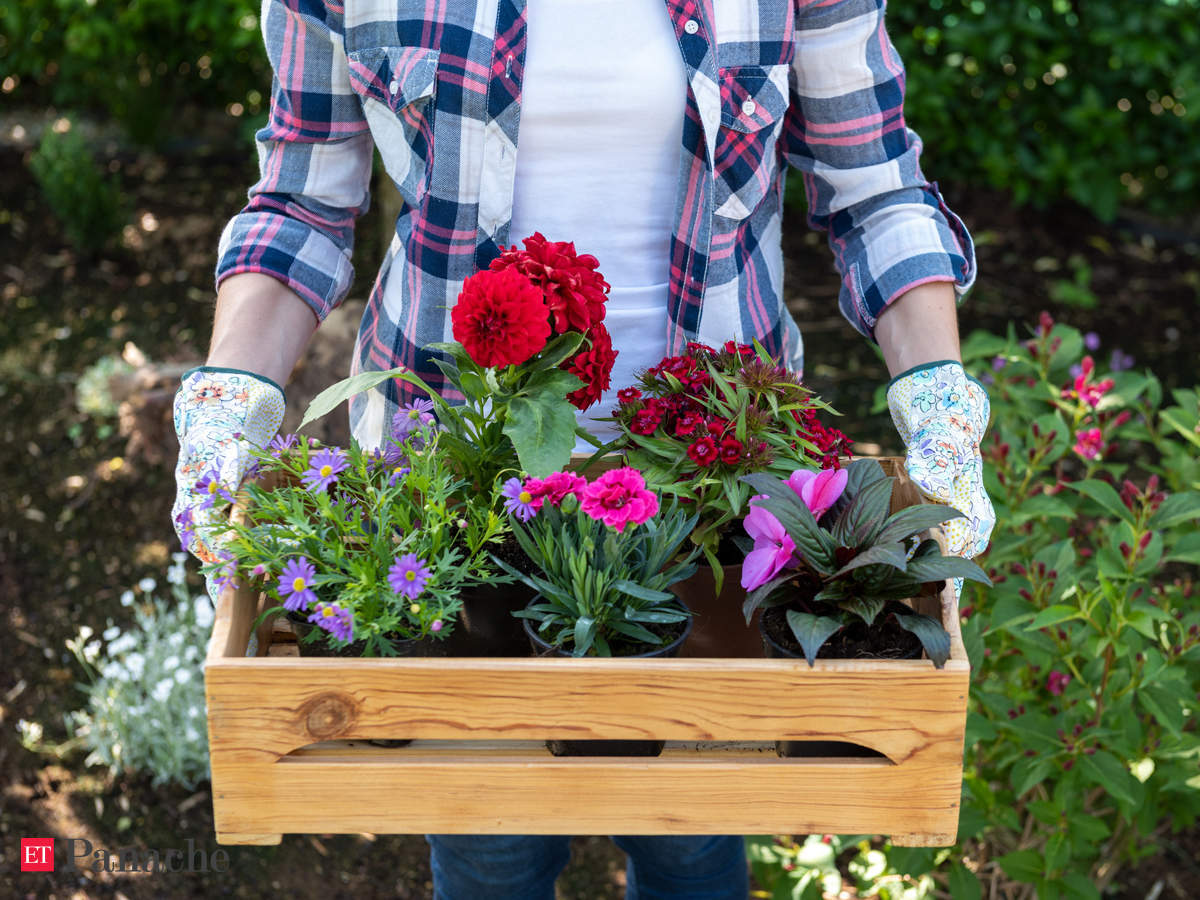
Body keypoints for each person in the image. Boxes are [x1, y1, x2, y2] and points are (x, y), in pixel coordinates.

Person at [172, 1, 995, 897]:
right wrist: (231, 397)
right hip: (457, 489)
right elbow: (302, 199)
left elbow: (874, 186)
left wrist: (940, 397)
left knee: (692, 830)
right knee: (491, 845)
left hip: (716, 496)